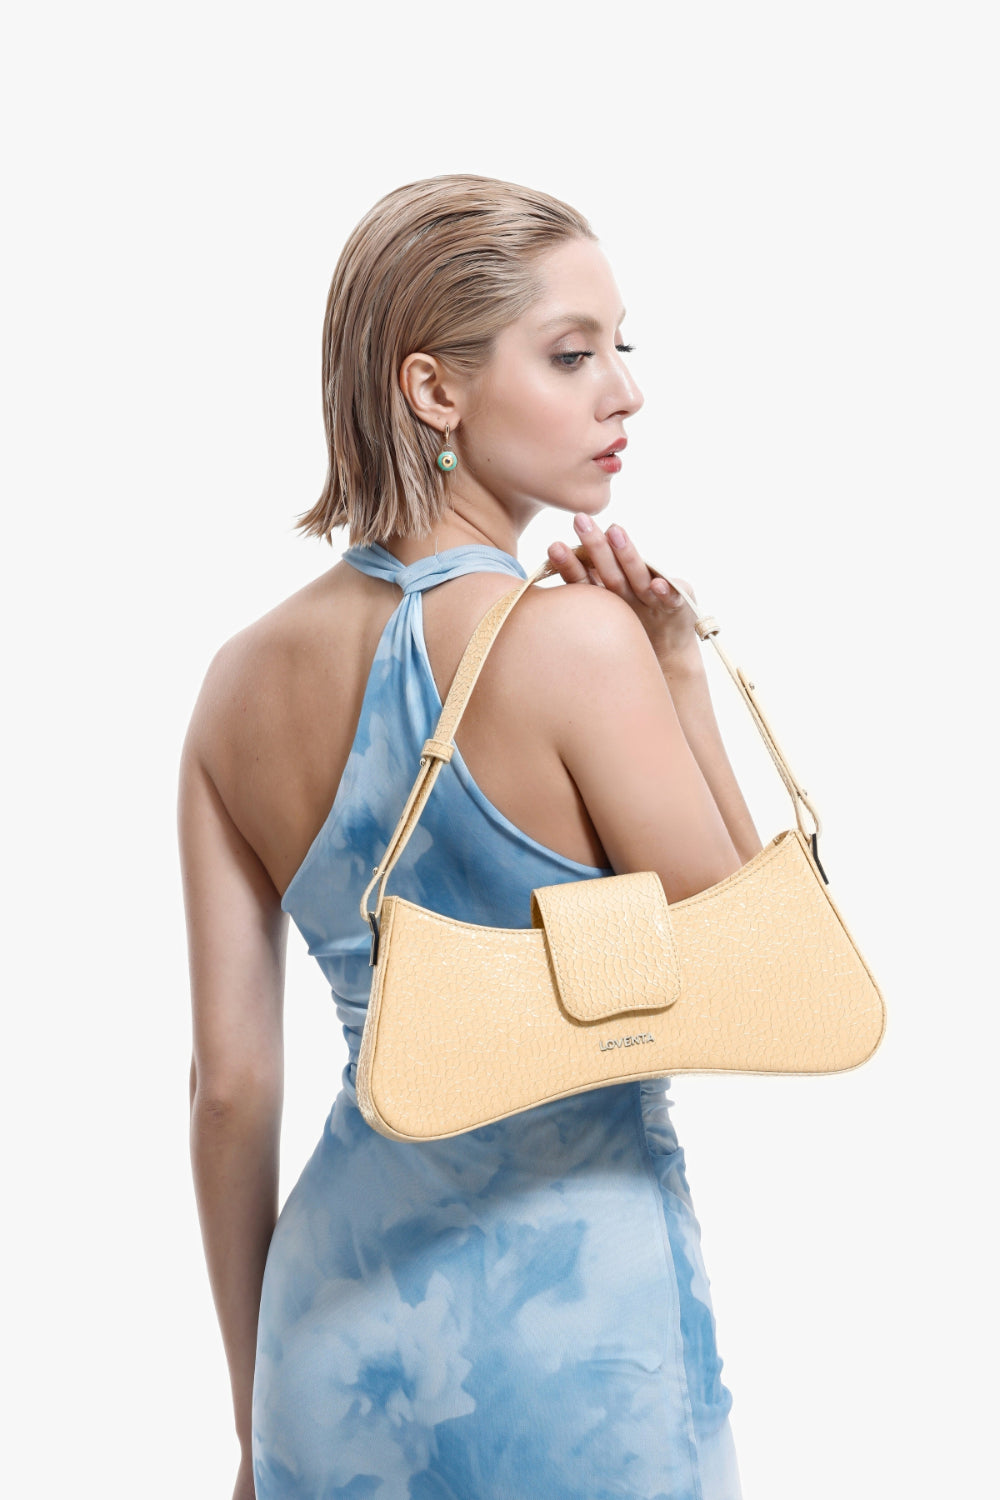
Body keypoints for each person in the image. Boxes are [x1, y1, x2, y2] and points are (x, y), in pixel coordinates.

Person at [180, 172, 763, 1500]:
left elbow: (229, 1089)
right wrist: (676, 670)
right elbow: (754, 971)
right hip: (580, 1335)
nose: (625, 391)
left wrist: (254, 1417)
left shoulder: (235, 682)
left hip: (327, 1338)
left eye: (622, 347)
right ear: (433, 390)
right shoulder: (576, 646)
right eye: (572, 354)